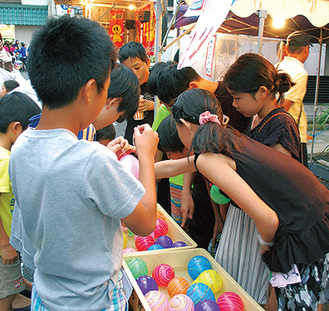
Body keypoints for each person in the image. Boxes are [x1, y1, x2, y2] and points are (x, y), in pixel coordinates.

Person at [9, 15, 158, 311]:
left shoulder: (22, 145)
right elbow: (145, 223)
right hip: (94, 301)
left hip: (45, 294)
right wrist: (147, 156)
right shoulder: (92, 159)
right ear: (90, 90)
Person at [155, 88, 329, 311]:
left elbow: (268, 220)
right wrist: (132, 166)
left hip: (306, 226)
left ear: (185, 125)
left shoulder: (210, 156)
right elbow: (172, 166)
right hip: (315, 209)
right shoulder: (225, 138)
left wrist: (267, 249)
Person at [216, 53, 301, 307]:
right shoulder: (260, 118)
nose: (234, 104)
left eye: (237, 98)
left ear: (262, 92)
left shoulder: (282, 124)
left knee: (253, 293)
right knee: (236, 287)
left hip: (261, 223)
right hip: (247, 217)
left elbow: (275, 186)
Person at [0, 92, 41, 311]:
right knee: (3, 296)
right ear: (16, 128)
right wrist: (5, 244)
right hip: (2, 245)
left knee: (9, 282)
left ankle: (16, 289)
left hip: (7, 242)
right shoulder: (5, 160)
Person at [157, 116, 223, 249]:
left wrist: (219, 219)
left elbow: (219, 193)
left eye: (169, 154)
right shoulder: (200, 155)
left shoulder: (209, 159)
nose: (169, 158)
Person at [276, 31, 311, 167]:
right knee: (299, 177)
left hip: (278, 133)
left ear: (286, 48)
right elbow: (285, 106)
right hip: (292, 135)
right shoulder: (300, 73)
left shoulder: (277, 67)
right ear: (306, 49)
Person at [118, 41, 155, 145]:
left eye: (137, 68)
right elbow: (119, 119)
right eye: (129, 70)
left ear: (147, 62)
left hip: (154, 137)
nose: (134, 73)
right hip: (132, 138)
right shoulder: (127, 85)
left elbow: (171, 107)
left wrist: (152, 105)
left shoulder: (157, 81)